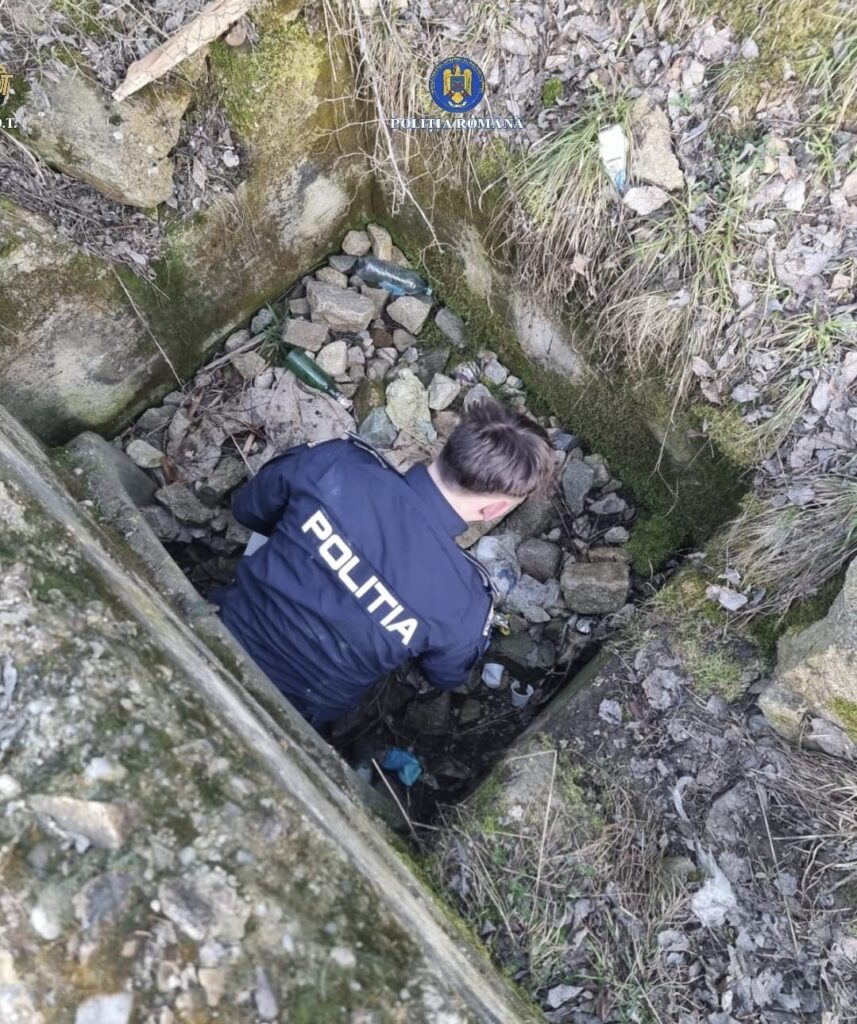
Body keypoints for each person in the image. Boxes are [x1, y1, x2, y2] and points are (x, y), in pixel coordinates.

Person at [213, 397, 556, 727]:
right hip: (289, 716)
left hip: (216, 632)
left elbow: (248, 509)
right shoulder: (465, 603)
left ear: (450, 445)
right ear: (494, 510)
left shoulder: (336, 463)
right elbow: (445, 675)